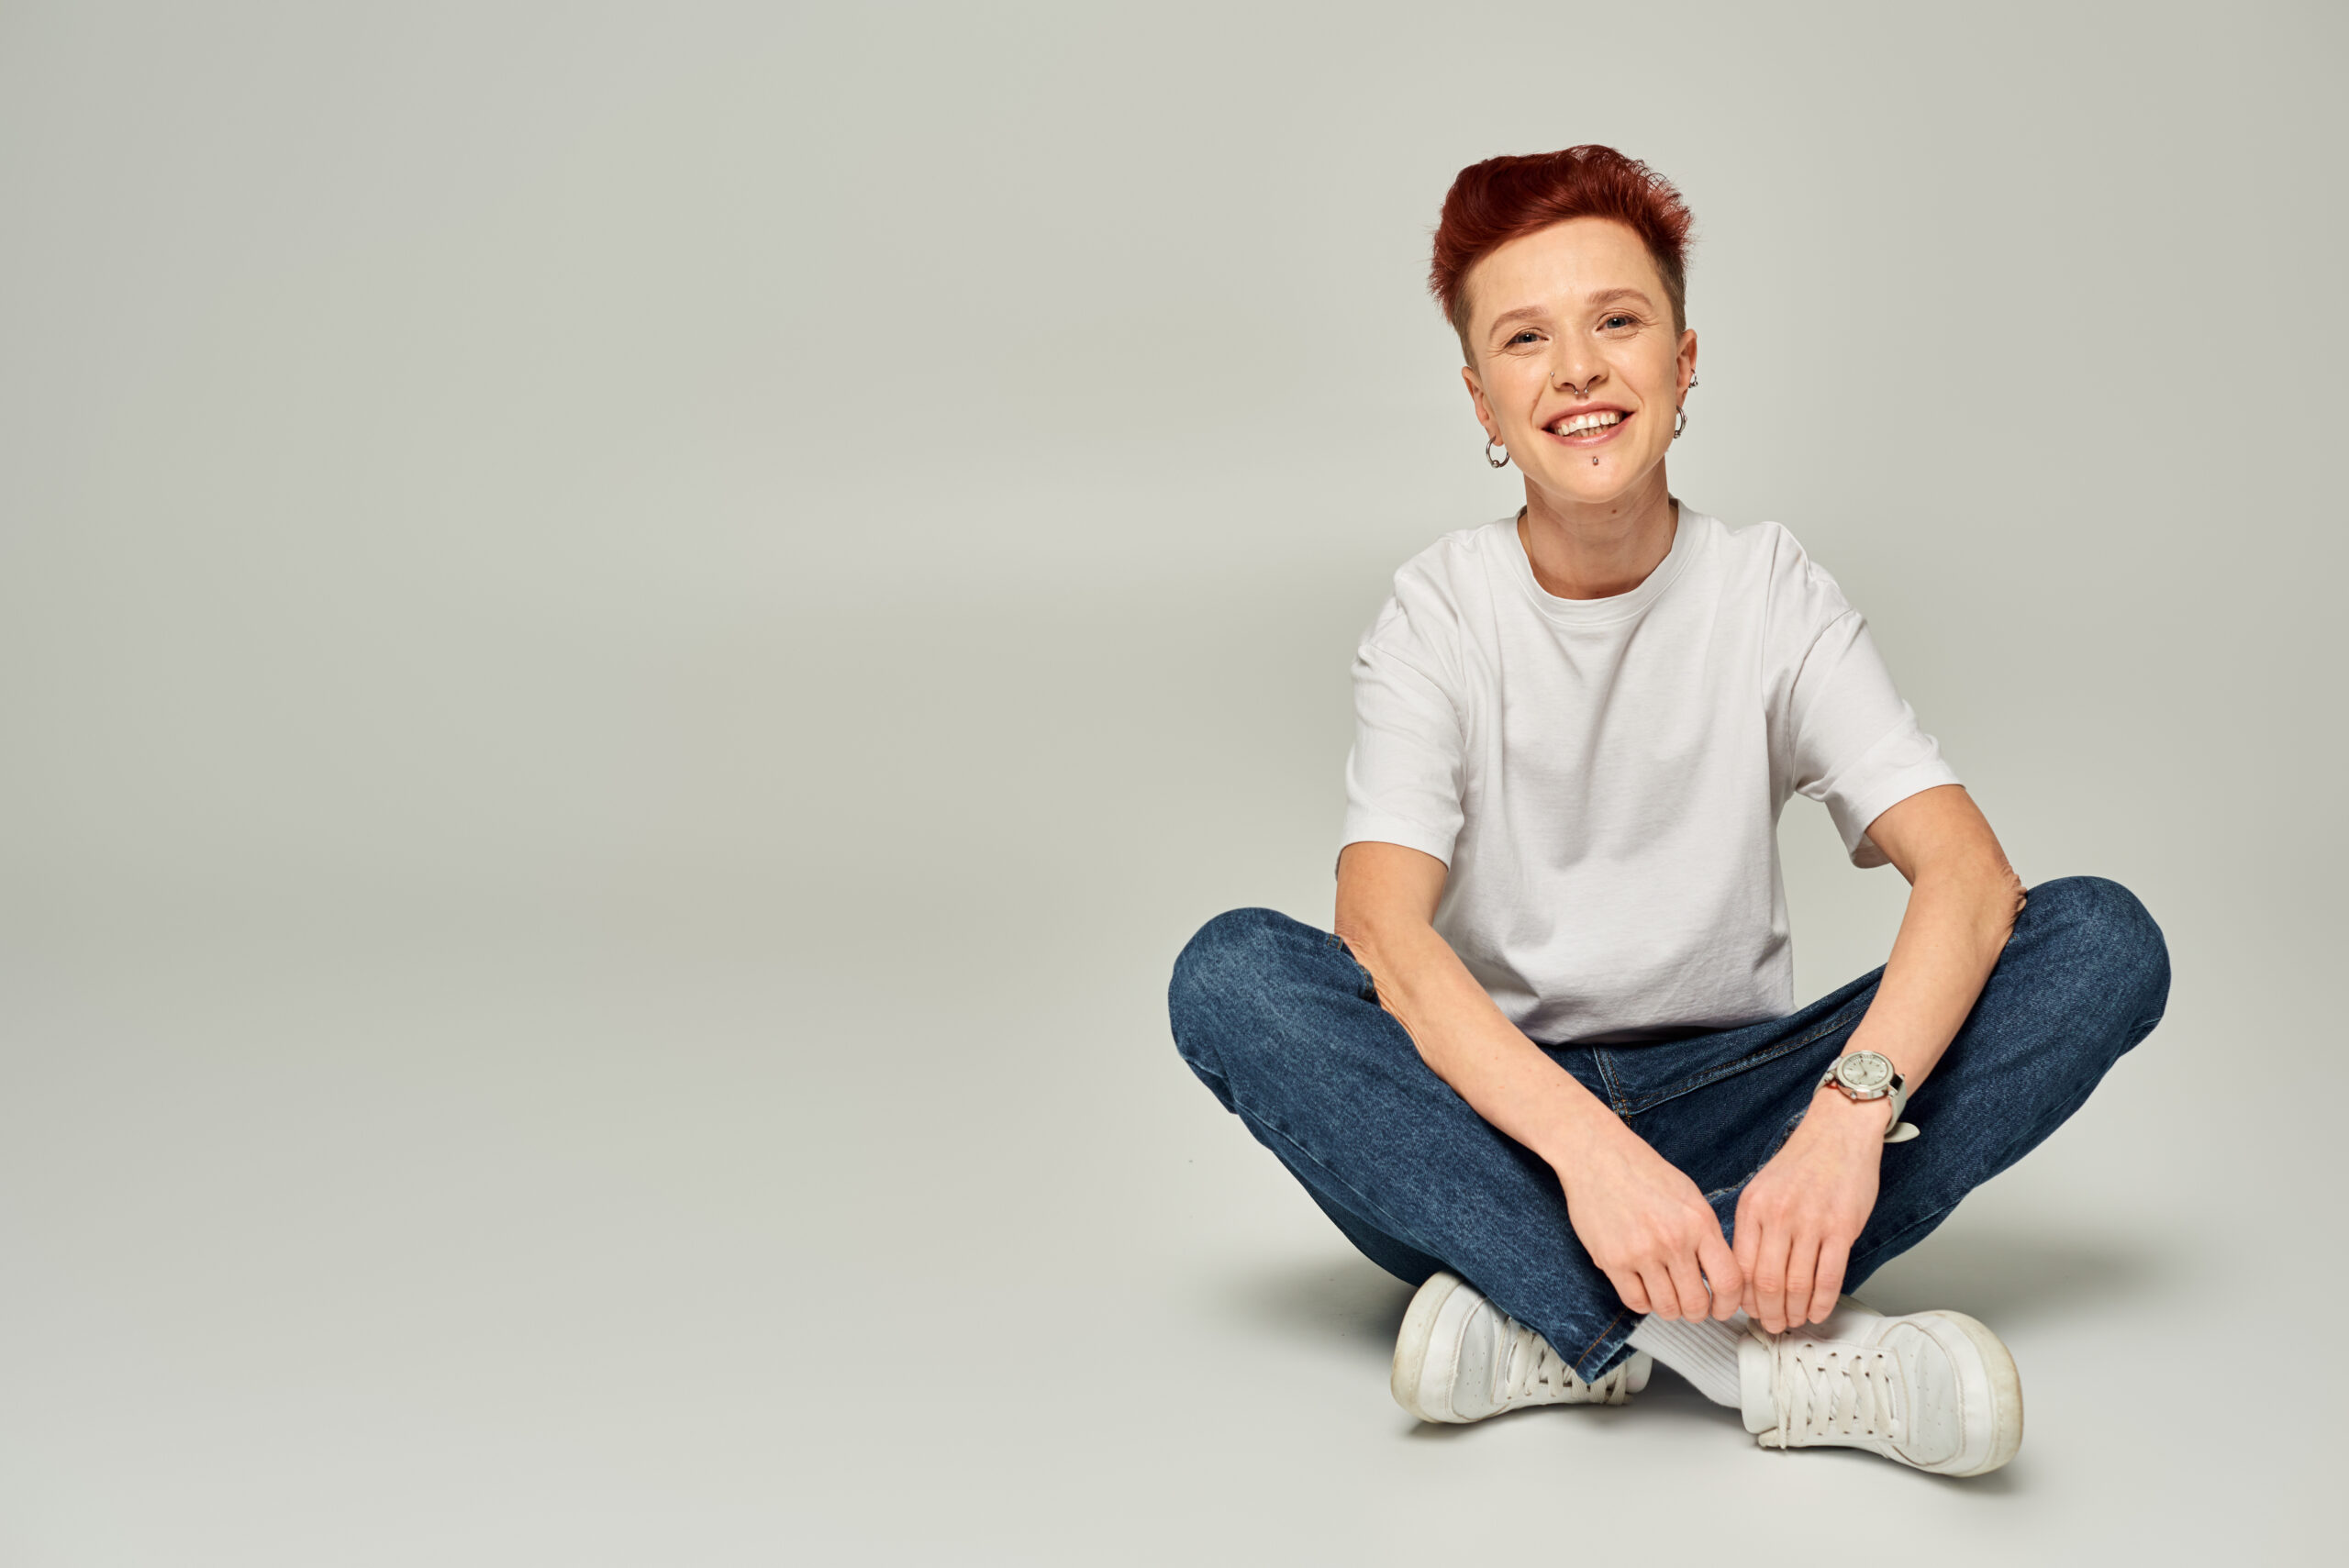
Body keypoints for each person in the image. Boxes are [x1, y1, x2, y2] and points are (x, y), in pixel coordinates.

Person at [1164, 146, 2169, 1476]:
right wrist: (1588, 1155)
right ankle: (1751, 1355)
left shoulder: (1768, 590)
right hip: (1495, 1125)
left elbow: (1971, 882)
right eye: (1527, 338)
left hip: (1750, 1106)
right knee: (1235, 973)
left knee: (2099, 938)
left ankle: (1539, 1312)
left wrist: (1847, 1116)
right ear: (1482, 396)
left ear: (1685, 364)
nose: (1577, 369)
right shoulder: (1439, 612)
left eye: (1617, 322)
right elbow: (1384, 933)